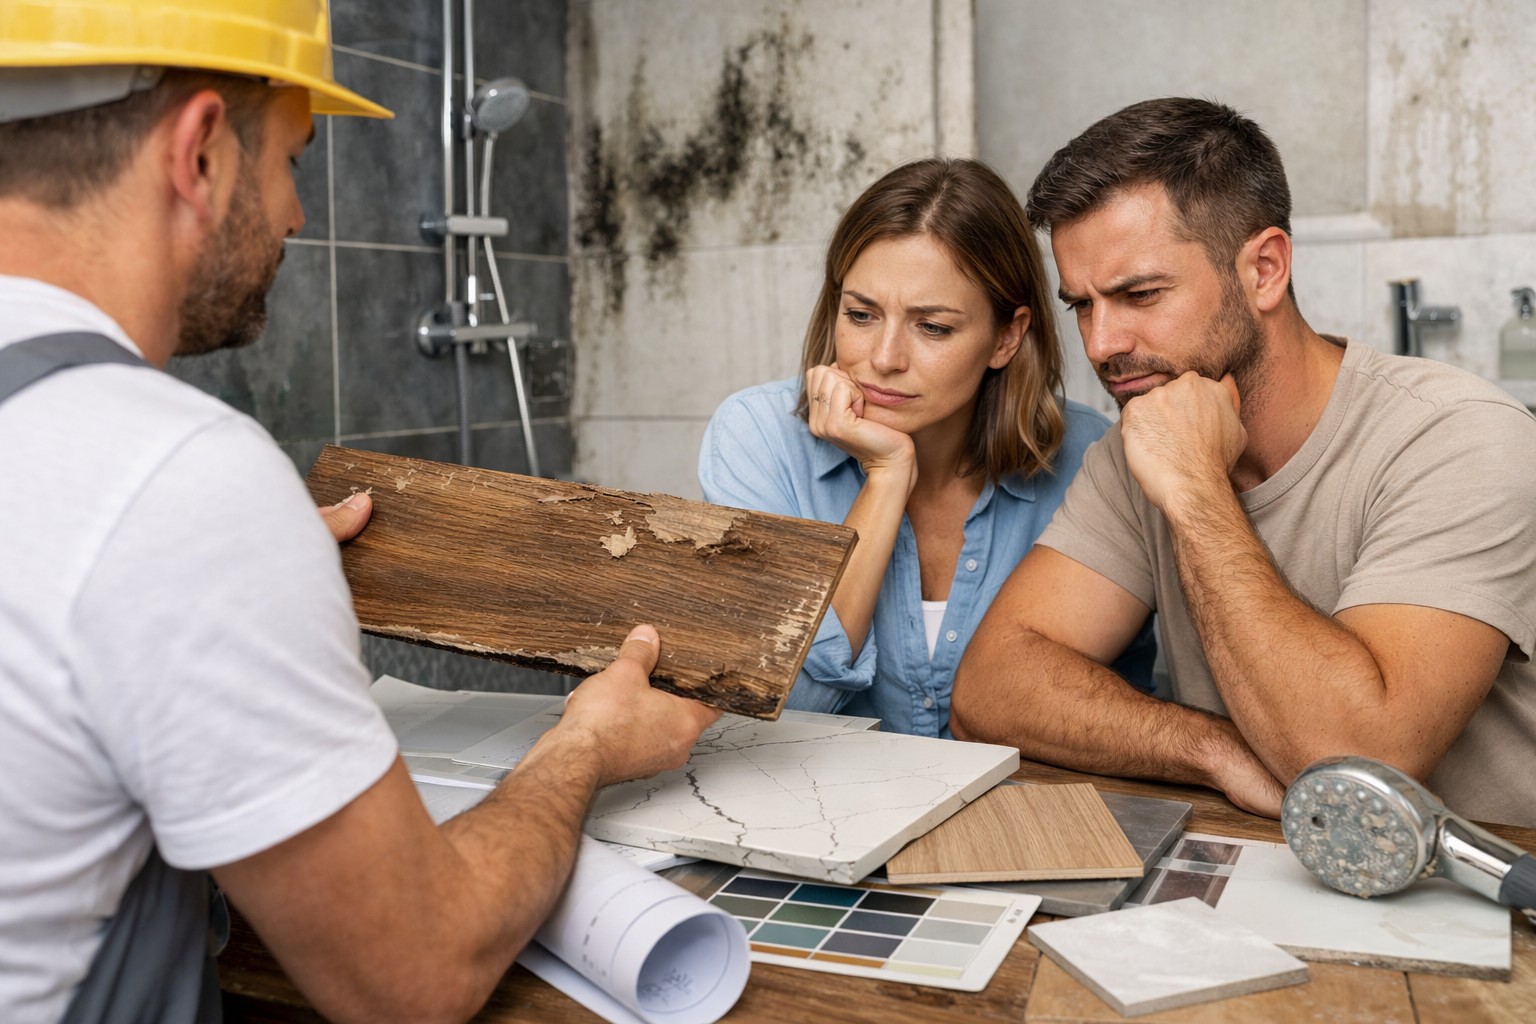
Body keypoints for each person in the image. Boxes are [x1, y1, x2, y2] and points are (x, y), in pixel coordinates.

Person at [0, 3, 717, 1022]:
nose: (297, 214)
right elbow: (416, 976)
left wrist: (241, 582)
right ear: (200, 151)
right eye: (293, 159)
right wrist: (586, 745)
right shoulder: (171, 474)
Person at [950, 97, 1536, 827]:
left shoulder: (1458, 438)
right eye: (1083, 306)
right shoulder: (1143, 438)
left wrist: (1195, 490)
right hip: (1261, 863)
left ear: (1264, 269)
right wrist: (1214, 750)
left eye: (1140, 294)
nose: (1101, 345)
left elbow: (1359, 765)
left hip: (1480, 882)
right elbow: (990, 685)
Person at [699, 158, 1154, 737]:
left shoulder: (1092, 455)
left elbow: (1110, 706)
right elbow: (776, 706)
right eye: (860, 315)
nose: (884, 358)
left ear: (1007, 337)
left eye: (932, 327)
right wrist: (887, 476)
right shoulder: (757, 439)